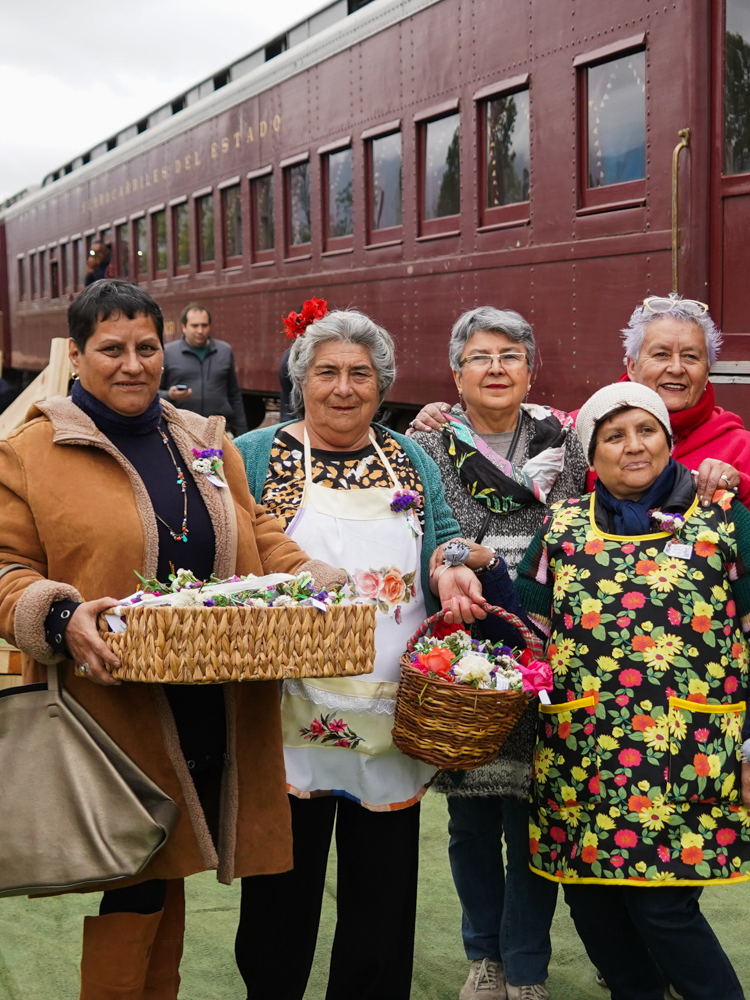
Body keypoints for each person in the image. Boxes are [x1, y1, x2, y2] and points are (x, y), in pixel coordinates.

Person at [0, 279, 342, 998]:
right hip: (109, 704)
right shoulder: (28, 453)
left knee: (164, 872)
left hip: (213, 698)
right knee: (135, 881)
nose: (133, 364)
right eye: (111, 349)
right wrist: (58, 615)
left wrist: (308, 573)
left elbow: (255, 525)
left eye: (147, 347)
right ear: (77, 356)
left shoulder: (201, 440)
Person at [513, 382, 750, 1000]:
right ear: (591, 459)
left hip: (687, 758)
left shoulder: (725, 520)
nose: (633, 446)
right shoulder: (560, 530)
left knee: (665, 911)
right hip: (581, 759)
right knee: (592, 905)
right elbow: (524, 634)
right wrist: (472, 578)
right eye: (613, 437)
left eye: (646, 431)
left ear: (669, 442)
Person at [233, 306, 484, 1000]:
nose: (343, 388)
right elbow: (230, 554)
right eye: (327, 373)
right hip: (284, 714)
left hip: (390, 709)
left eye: (360, 374)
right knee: (280, 884)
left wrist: (454, 567)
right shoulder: (258, 453)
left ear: (382, 385)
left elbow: (444, 537)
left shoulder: (408, 456)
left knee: (382, 892)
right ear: (301, 381)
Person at [406, 306, 588, 1000]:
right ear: (456, 374)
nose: (496, 369)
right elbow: (428, 535)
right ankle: (485, 957)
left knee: (534, 815)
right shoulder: (427, 444)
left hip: (548, 643)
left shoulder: (567, 441)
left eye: (510, 355)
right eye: (479, 357)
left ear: (530, 369)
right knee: (474, 816)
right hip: (468, 650)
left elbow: (583, 524)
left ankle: (528, 966)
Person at [414, 294, 750, 554]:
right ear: (631, 365)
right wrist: (441, 417)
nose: (676, 368)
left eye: (691, 357)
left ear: (707, 369)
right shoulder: (578, 430)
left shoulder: (739, 447)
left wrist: (741, 489)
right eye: (660, 354)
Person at [162, 302, 249, 436]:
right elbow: (153, 393)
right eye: (194, 326)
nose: (200, 331)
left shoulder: (224, 351)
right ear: (183, 327)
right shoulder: (168, 353)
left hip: (219, 431)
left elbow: (234, 394)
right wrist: (169, 395)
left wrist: (243, 432)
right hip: (183, 431)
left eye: (204, 325)